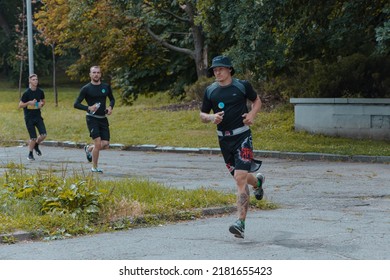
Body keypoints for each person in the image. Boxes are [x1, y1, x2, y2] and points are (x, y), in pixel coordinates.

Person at [200, 55, 265, 239]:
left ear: (229, 69)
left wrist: (252, 114)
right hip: (224, 140)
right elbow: (202, 114)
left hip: (242, 136)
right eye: (214, 69)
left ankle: (240, 223)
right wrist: (212, 118)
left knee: (239, 177)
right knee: (241, 178)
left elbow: (257, 100)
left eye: (220, 68)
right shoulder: (210, 90)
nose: (217, 72)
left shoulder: (242, 86)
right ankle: (258, 182)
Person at [74, 66, 115, 173]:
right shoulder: (86, 88)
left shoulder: (106, 86)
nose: (96, 74)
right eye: (94, 72)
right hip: (92, 118)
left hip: (103, 118)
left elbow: (112, 99)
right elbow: (76, 104)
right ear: (90, 74)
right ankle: (94, 167)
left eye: (98, 72)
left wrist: (110, 107)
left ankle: (89, 149)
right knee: (98, 144)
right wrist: (88, 108)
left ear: (101, 74)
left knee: (105, 144)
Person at [18, 74, 47, 161]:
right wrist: (29, 103)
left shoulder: (40, 91)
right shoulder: (26, 93)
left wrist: (41, 104)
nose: (36, 81)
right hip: (29, 117)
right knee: (33, 138)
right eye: (33, 80)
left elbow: (43, 101)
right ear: (30, 81)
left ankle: (36, 145)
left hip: (38, 116)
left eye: (36, 79)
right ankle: (30, 154)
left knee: (43, 135)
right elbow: (20, 105)